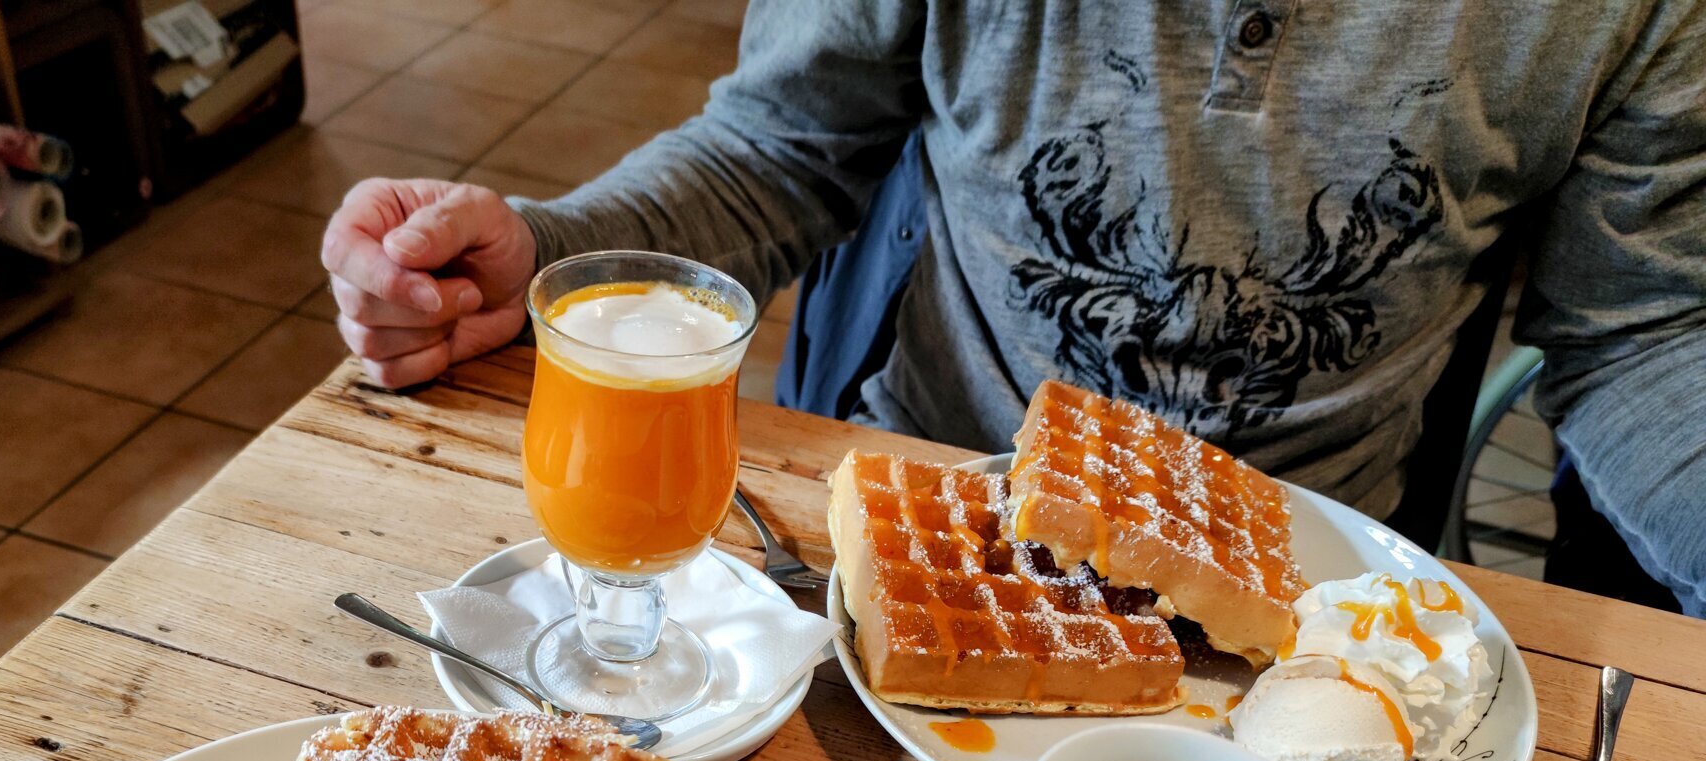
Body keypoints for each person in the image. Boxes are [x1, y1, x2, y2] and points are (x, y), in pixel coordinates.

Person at [321, 0, 1706, 615]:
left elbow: (1642, 323)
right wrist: (556, 249)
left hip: (1310, 595)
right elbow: (784, 147)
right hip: (917, 545)